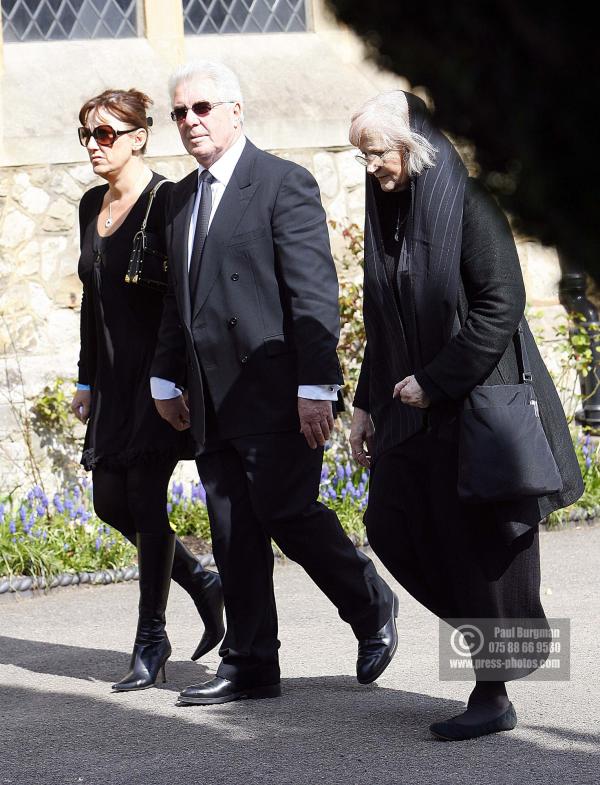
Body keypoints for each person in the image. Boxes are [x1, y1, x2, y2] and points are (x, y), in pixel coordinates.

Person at [150, 60, 398, 706]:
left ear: (236, 111)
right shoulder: (178, 199)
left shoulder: (282, 183)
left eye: (201, 108)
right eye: (179, 113)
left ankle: (370, 604)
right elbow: (178, 301)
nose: (190, 122)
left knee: (287, 510)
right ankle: (252, 661)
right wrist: (162, 373)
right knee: (232, 528)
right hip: (211, 397)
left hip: (276, 389)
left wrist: (319, 383)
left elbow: (314, 292)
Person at [347, 90, 583, 740]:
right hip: (412, 406)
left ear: (414, 145)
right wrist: (367, 403)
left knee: (479, 547)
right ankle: (509, 645)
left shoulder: (470, 203)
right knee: (391, 524)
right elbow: (385, 318)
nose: (371, 167)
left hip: (478, 400)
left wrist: (436, 378)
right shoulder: (387, 208)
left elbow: (501, 302)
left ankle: (493, 689)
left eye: (378, 153)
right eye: (363, 156)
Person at [70, 88, 225, 692]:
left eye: (105, 134)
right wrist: (85, 376)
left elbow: (178, 300)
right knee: (111, 502)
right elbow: (93, 298)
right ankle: (201, 578)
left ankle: (150, 639)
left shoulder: (170, 199)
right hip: (111, 377)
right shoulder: (91, 205)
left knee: (143, 497)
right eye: (87, 135)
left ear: (138, 136)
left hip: (158, 377)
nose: (93, 146)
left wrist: (170, 377)